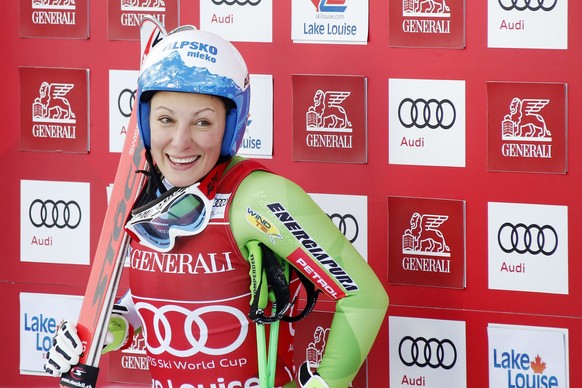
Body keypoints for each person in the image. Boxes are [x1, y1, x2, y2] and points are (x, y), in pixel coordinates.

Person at [44, 24, 388, 388]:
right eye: (165, 119)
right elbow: (168, 303)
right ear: (144, 123)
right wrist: (103, 332)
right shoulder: (147, 195)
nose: (180, 142)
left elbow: (363, 297)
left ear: (231, 126)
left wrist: (327, 384)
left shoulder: (257, 197)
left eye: (202, 122)